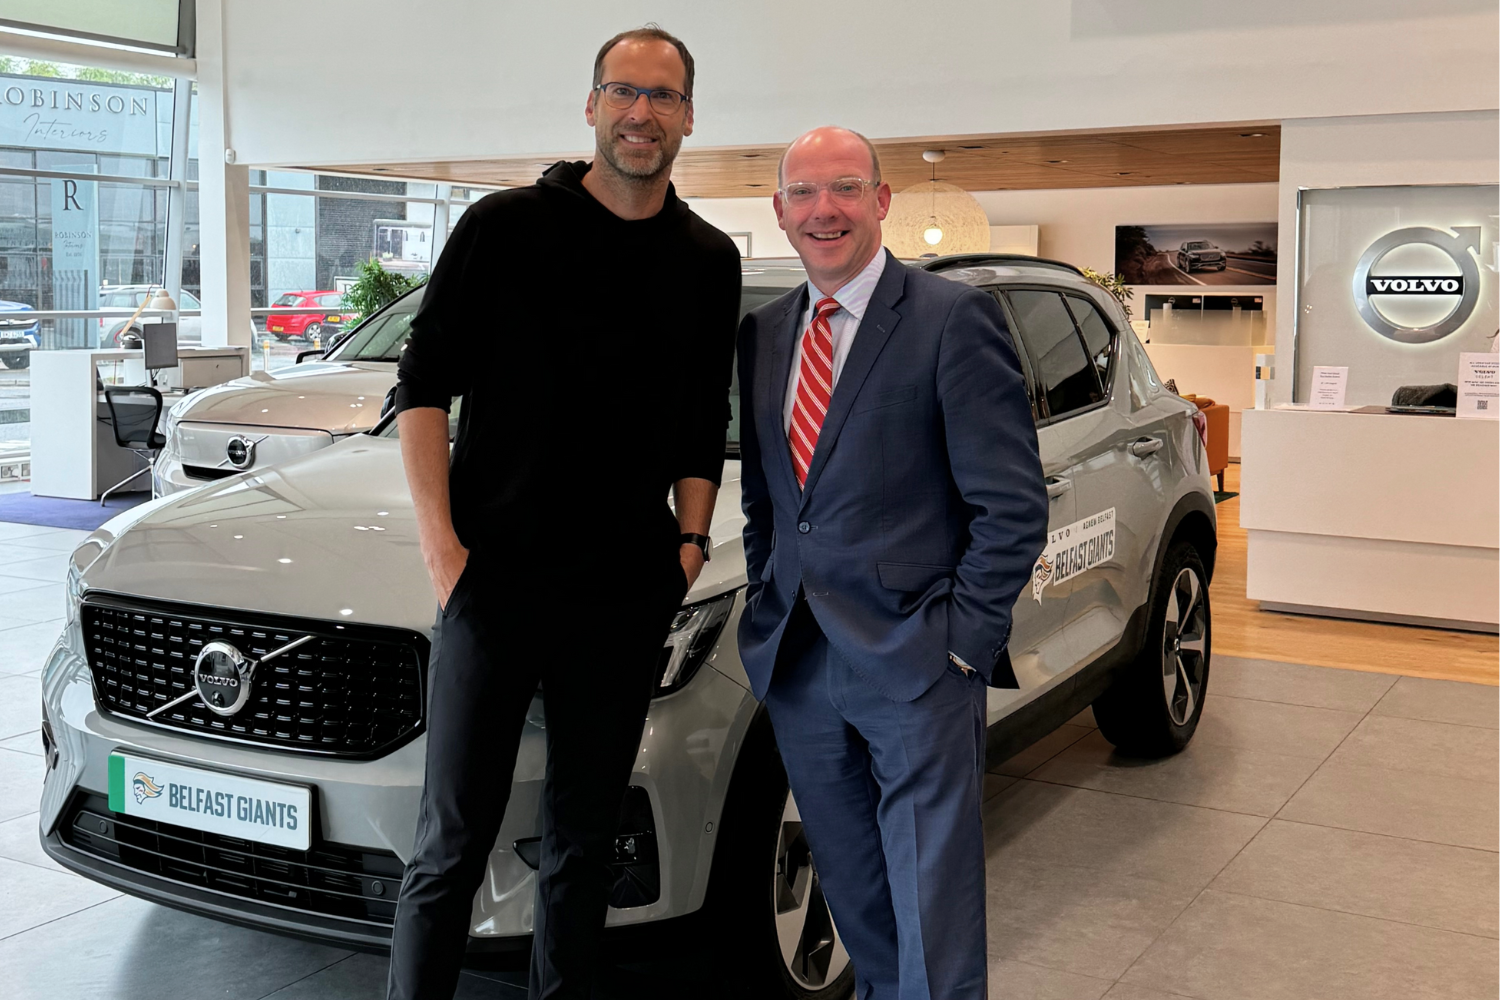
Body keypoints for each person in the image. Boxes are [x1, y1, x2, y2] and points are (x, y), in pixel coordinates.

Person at [386, 26, 741, 1000]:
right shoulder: (502, 231)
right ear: (590, 106)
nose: (641, 114)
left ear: (689, 119)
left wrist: (687, 543)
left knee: (584, 850)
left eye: (662, 98)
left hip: (625, 594)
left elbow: (702, 420)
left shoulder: (708, 260)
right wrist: (445, 554)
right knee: (449, 846)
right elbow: (420, 390)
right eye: (623, 92)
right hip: (494, 582)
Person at [735, 126, 1048, 999]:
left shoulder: (952, 319)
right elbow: (771, 501)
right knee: (855, 893)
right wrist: (769, 595)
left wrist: (961, 646)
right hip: (798, 660)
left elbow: (1013, 506)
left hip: (916, 661)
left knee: (932, 907)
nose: (822, 210)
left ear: (881, 201)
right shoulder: (763, 334)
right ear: (779, 211)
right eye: (803, 193)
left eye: (844, 188)